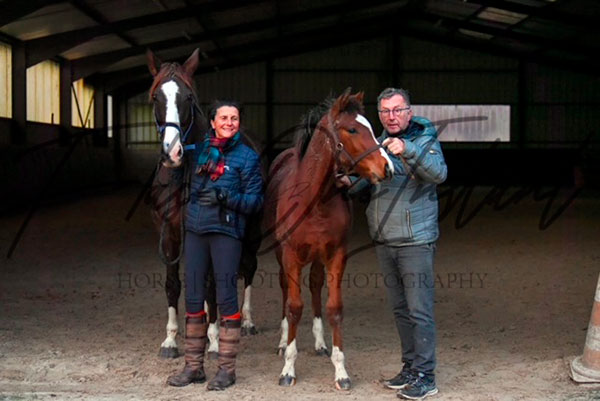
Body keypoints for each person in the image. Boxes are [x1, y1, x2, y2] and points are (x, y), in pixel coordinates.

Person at [341, 87, 447, 400]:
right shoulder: (380, 141)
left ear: (409, 112)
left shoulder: (424, 138)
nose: (392, 116)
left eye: (398, 110)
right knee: (401, 310)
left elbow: (439, 174)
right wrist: (350, 183)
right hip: (385, 239)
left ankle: (426, 376)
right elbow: (378, 175)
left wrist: (408, 149)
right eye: (386, 111)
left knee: (419, 311)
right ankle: (410, 367)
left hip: (415, 240)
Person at [167, 100, 264, 391]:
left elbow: (256, 202)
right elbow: (172, 171)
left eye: (234, 118)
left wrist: (227, 198)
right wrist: (172, 159)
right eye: (224, 117)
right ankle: (193, 367)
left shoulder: (247, 157)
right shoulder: (196, 153)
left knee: (226, 299)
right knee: (194, 298)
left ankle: (226, 370)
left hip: (227, 233)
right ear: (212, 122)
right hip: (196, 231)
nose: (229, 122)